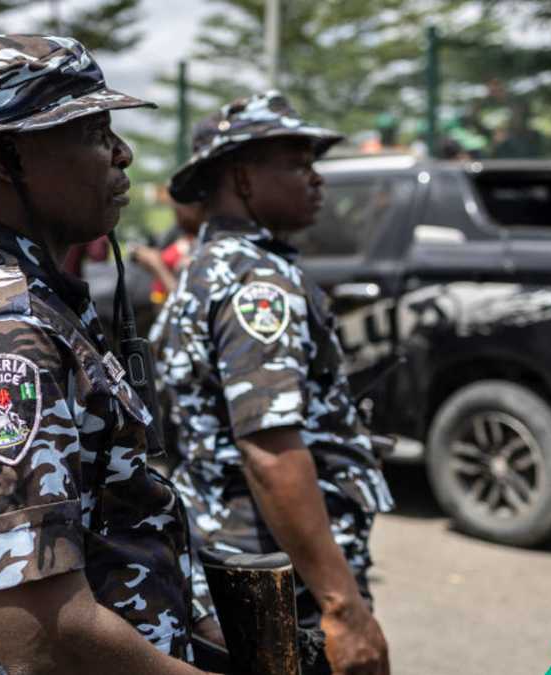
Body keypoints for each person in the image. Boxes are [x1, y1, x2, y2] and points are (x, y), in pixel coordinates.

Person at [0, 35, 207, 675]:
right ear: (7, 156)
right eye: (96, 131)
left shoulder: (30, 297)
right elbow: (43, 634)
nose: (123, 155)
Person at [157, 91, 396, 675]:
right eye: (297, 164)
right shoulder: (257, 281)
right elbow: (269, 447)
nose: (316, 179)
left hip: (236, 558)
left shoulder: (206, 267)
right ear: (241, 176)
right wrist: (343, 609)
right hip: (281, 573)